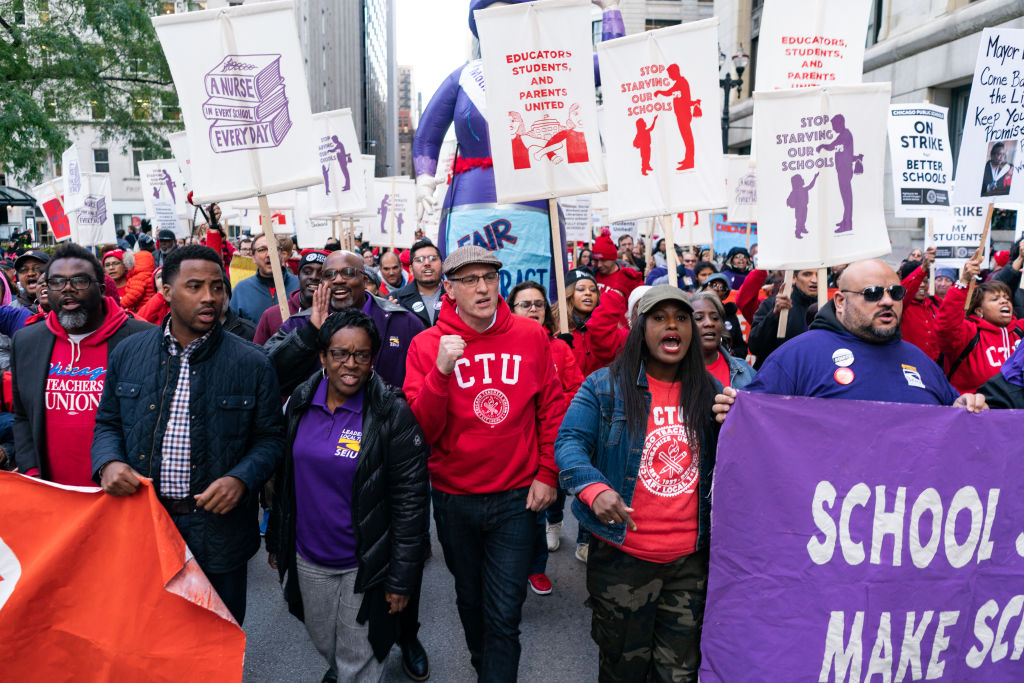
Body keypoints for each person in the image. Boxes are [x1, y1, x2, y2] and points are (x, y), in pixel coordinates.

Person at [91, 246, 284, 625]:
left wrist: (241, 478)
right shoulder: (129, 352)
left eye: (217, 287)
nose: (209, 297)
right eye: (194, 286)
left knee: (216, 640)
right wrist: (108, 462)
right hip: (144, 526)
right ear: (165, 289)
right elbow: (108, 423)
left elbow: (271, 439)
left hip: (219, 535)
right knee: (146, 633)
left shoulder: (253, 362)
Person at [403, 245, 564, 681]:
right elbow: (423, 431)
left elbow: (551, 409)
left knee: (504, 612)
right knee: (471, 600)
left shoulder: (531, 337)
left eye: (489, 278)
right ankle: (484, 667)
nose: (482, 287)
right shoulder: (426, 345)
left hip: (516, 498)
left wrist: (548, 473)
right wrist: (439, 373)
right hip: (455, 498)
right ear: (450, 290)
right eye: (470, 280)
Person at [555, 285, 717, 682]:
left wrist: (736, 425)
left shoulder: (712, 393)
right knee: (622, 671)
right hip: (623, 559)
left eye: (681, 318)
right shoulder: (603, 387)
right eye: (659, 318)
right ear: (640, 327)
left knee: (678, 674)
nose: (672, 326)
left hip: (689, 564)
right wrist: (595, 490)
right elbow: (569, 443)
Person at [266, 310, 429, 683]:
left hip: (365, 564)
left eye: (362, 355)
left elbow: (410, 502)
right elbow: (286, 481)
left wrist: (401, 579)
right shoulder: (300, 403)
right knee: (326, 642)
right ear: (322, 356)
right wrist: (277, 537)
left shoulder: (392, 413)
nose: (350, 364)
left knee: (358, 658)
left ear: (373, 358)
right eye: (340, 353)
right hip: (309, 559)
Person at [713, 260, 988, 420]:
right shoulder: (797, 356)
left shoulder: (920, 362)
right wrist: (735, 411)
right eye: (872, 293)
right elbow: (753, 421)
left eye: (895, 292)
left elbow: (953, 417)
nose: (887, 301)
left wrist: (965, 407)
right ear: (841, 302)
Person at [11, 243, 151, 484]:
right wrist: (32, 471)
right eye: (56, 282)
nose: (67, 289)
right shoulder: (26, 342)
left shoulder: (144, 339)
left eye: (79, 281)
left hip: (120, 493)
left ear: (100, 288)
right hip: (52, 496)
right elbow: (23, 416)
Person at [508, 280, 585, 596]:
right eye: (525, 304)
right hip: (512, 442)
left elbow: (577, 389)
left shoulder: (559, 348)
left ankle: (536, 569)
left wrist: (550, 402)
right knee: (514, 512)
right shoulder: (503, 346)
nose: (532, 309)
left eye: (538, 304)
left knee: (536, 508)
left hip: (547, 440)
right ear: (511, 310)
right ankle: (509, 571)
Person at [266, 250, 424, 396]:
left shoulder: (403, 323)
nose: (338, 280)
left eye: (348, 273)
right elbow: (266, 374)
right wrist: (310, 332)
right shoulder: (300, 323)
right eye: (330, 275)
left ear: (364, 280)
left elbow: (420, 387)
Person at [934, 250, 1024, 394]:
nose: (1004, 301)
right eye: (995, 299)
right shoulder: (969, 334)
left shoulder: (1020, 331)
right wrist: (964, 281)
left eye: (1007, 298)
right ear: (979, 311)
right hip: (975, 413)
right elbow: (946, 326)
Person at [748, 268, 818, 369]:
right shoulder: (771, 305)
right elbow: (755, 346)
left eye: (818, 275)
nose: (814, 280)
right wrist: (774, 315)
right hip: (776, 374)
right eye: (807, 274)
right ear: (794, 278)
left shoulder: (826, 308)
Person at [254, 250, 325, 345]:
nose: (314, 277)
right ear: (298, 276)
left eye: (321, 273)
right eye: (307, 272)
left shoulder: (336, 314)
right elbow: (258, 356)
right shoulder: (271, 315)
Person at [230, 232, 300, 324]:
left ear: (282, 254)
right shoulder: (241, 290)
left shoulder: (299, 286)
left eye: (274, 249)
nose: (269, 254)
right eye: (262, 250)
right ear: (253, 257)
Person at [691, 291, 756, 388]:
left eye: (715, 318)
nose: (709, 323)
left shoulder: (744, 370)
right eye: (699, 318)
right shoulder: (672, 372)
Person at [898, 248, 941, 362]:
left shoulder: (934, 305)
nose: (922, 285)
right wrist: (923, 268)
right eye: (919, 280)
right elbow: (906, 289)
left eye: (925, 281)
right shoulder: (900, 305)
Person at [392, 239, 444, 327]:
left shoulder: (457, 296)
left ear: (443, 266)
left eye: (433, 259)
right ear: (411, 269)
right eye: (420, 260)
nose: (427, 263)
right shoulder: (395, 300)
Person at [700, 273, 747, 359]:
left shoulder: (730, 316)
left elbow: (741, 348)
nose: (717, 288)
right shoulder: (692, 311)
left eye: (722, 288)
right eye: (713, 284)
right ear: (703, 289)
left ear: (725, 296)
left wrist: (732, 354)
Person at [591, 230, 643, 301]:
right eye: (596, 260)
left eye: (604, 260)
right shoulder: (589, 274)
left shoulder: (630, 277)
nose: (599, 265)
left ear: (613, 259)